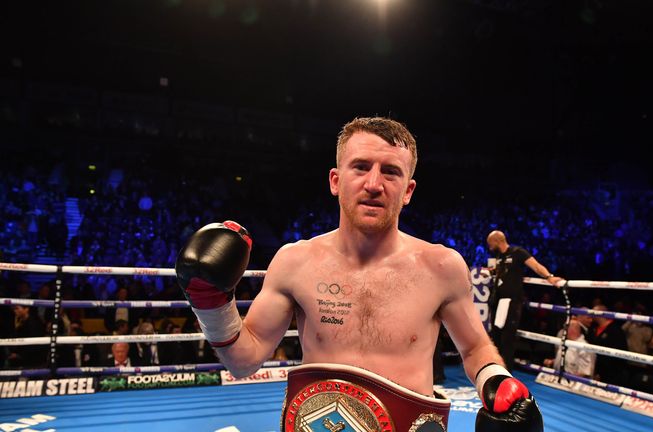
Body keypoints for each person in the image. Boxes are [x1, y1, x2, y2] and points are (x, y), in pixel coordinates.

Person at [176, 117, 543, 431]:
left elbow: (476, 348)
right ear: (336, 181)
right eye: (361, 166)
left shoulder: (441, 266)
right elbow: (243, 361)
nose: (373, 183)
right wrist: (211, 307)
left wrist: (496, 380)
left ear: (408, 191)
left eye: (390, 171)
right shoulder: (294, 262)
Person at [485, 230, 563, 369]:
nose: (489, 247)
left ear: (497, 241)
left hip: (511, 301)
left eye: (490, 244)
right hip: (498, 300)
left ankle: (506, 370)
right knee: (496, 335)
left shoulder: (518, 252)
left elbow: (536, 266)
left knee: (507, 338)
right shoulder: (499, 256)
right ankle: (496, 367)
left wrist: (549, 277)